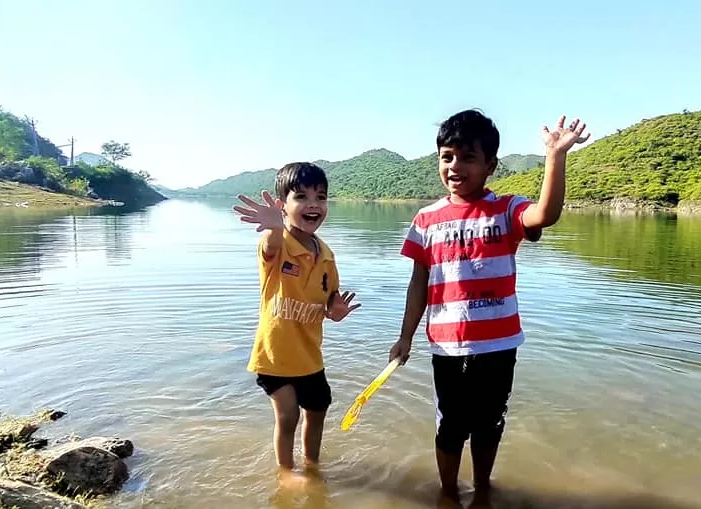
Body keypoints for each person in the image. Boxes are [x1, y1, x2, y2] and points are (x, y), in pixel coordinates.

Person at [388, 109, 590, 504]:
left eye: (468, 157)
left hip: (498, 344)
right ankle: (448, 493)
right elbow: (418, 283)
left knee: (489, 423)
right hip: (447, 346)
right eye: (447, 157)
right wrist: (405, 337)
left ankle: (482, 488)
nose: (455, 166)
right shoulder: (426, 219)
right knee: (450, 426)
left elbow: (545, 214)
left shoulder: (507, 209)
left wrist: (555, 156)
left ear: (490, 166)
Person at [233, 162, 361, 487]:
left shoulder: (327, 255)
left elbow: (330, 303)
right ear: (282, 205)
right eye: (301, 197)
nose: (313, 204)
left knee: (317, 412)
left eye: (320, 197)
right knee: (288, 415)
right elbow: (271, 244)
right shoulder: (279, 245)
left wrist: (336, 311)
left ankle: (313, 465)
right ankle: (286, 473)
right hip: (274, 356)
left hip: (309, 358)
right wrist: (274, 227)